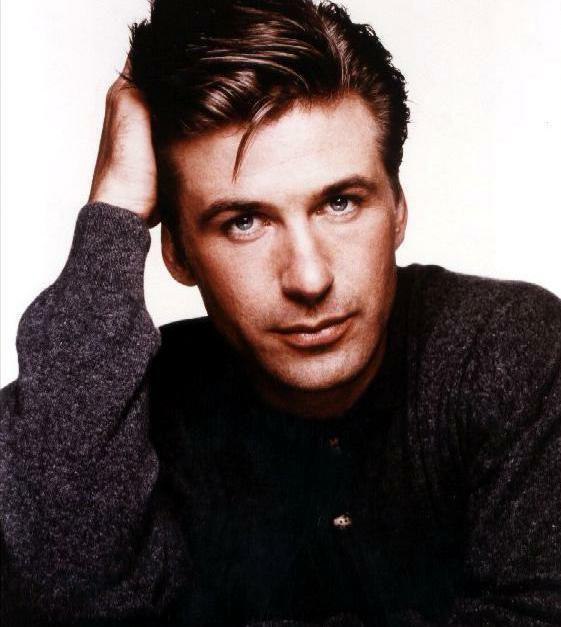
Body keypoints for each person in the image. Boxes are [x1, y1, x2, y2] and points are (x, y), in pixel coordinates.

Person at [1, 0, 560, 625]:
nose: (310, 278)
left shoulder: (510, 353)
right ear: (177, 251)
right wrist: (113, 215)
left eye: (341, 203)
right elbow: (53, 596)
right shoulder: (116, 410)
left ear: (398, 209)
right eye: (244, 221)